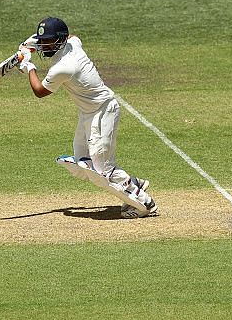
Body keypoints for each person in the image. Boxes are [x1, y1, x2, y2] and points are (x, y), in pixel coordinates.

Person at [18, 17, 158, 218]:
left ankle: (144, 205)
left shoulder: (64, 67)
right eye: (42, 41)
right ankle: (130, 182)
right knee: (81, 162)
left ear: (59, 41)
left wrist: (29, 66)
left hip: (103, 112)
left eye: (47, 41)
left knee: (100, 170)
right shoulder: (72, 43)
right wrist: (33, 41)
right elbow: (75, 37)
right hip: (88, 113)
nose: (43, 45)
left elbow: (40, 91)